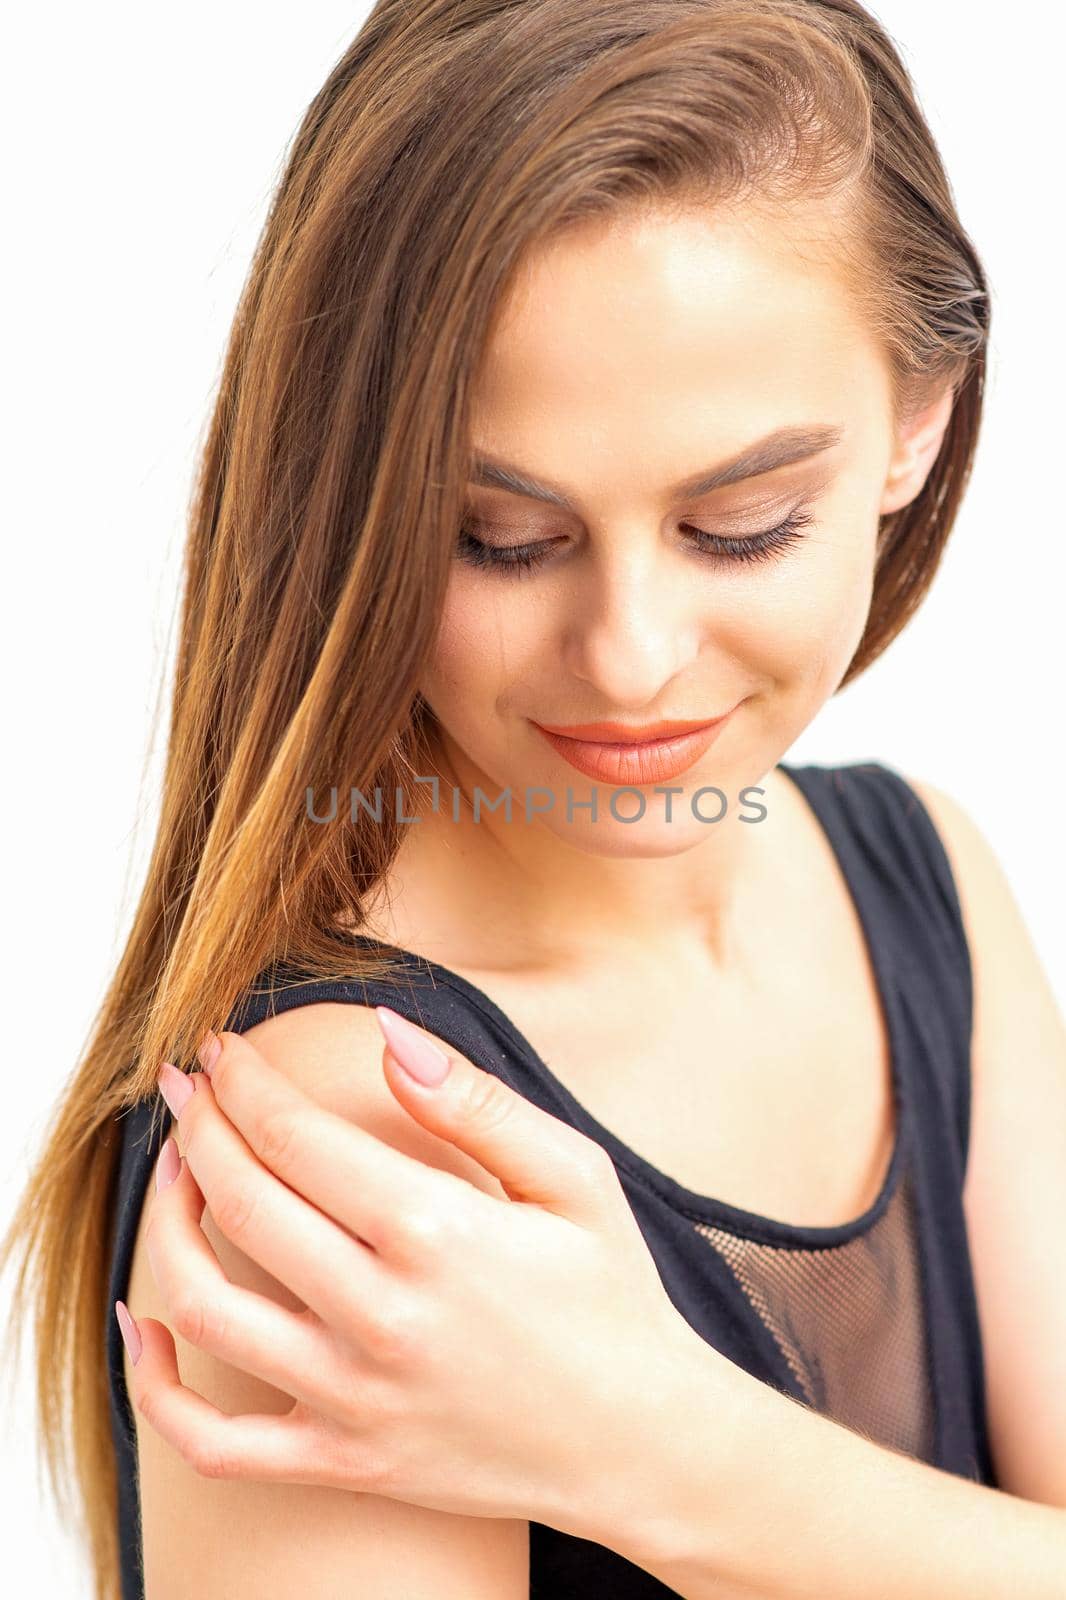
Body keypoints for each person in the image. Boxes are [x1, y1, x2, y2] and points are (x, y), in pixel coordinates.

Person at [4, 0, 1065, 1596]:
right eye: (499, 535)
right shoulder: (345, 1148)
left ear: (917, 425)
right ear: (355, 499)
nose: (630, 660)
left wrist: (660, 1451)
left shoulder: (921, 879)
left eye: (744, 521)